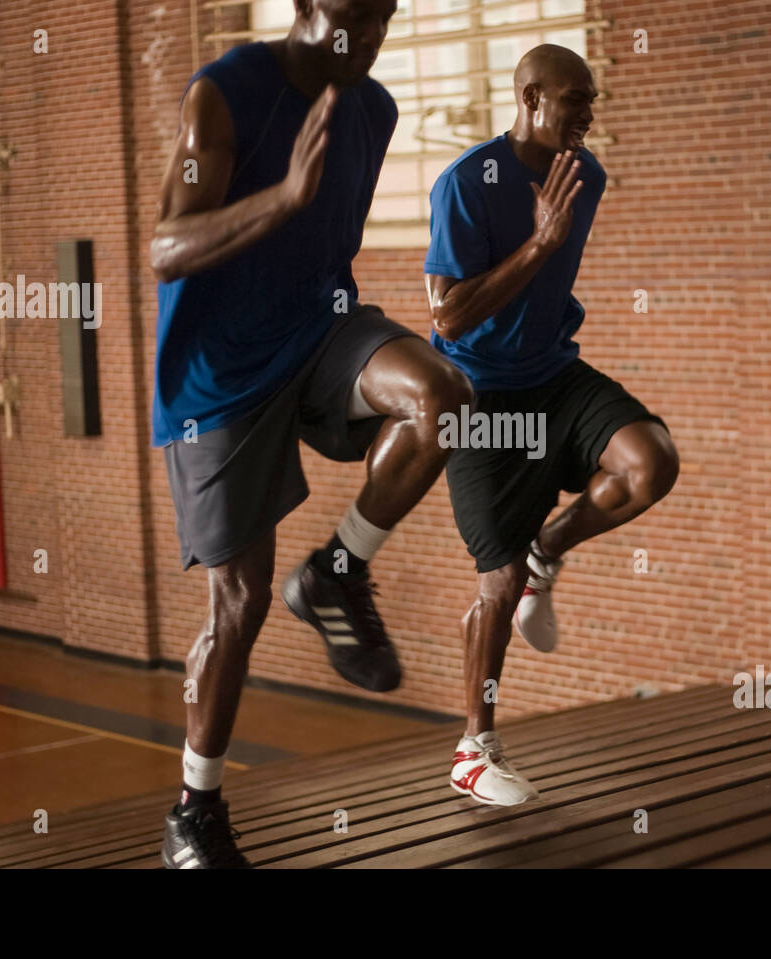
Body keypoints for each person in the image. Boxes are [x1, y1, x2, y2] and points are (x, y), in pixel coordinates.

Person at [150, 0, 472, 867]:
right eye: (348, 14)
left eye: (382, 17)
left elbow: (328, 252)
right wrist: (283, 196)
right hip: (218, 377)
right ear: (301, 6)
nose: (364, 36)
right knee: (239, 601)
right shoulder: (221, 95)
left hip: (318, 330)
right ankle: (196, 808)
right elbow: (166, 247)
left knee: (443, 395)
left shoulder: (375, 107)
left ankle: (338, 569)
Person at [423, 44, 680, 806]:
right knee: (493, 584)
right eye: (575, 99)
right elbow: (447, 313)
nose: (588, 113)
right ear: (531, 97)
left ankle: (549, 550)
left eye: (593, 99)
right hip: (480, 396)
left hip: (555, 375)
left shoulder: (586, 174)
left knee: (650, 462)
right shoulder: (466, 182)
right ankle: (474, 748)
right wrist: (539, 243)